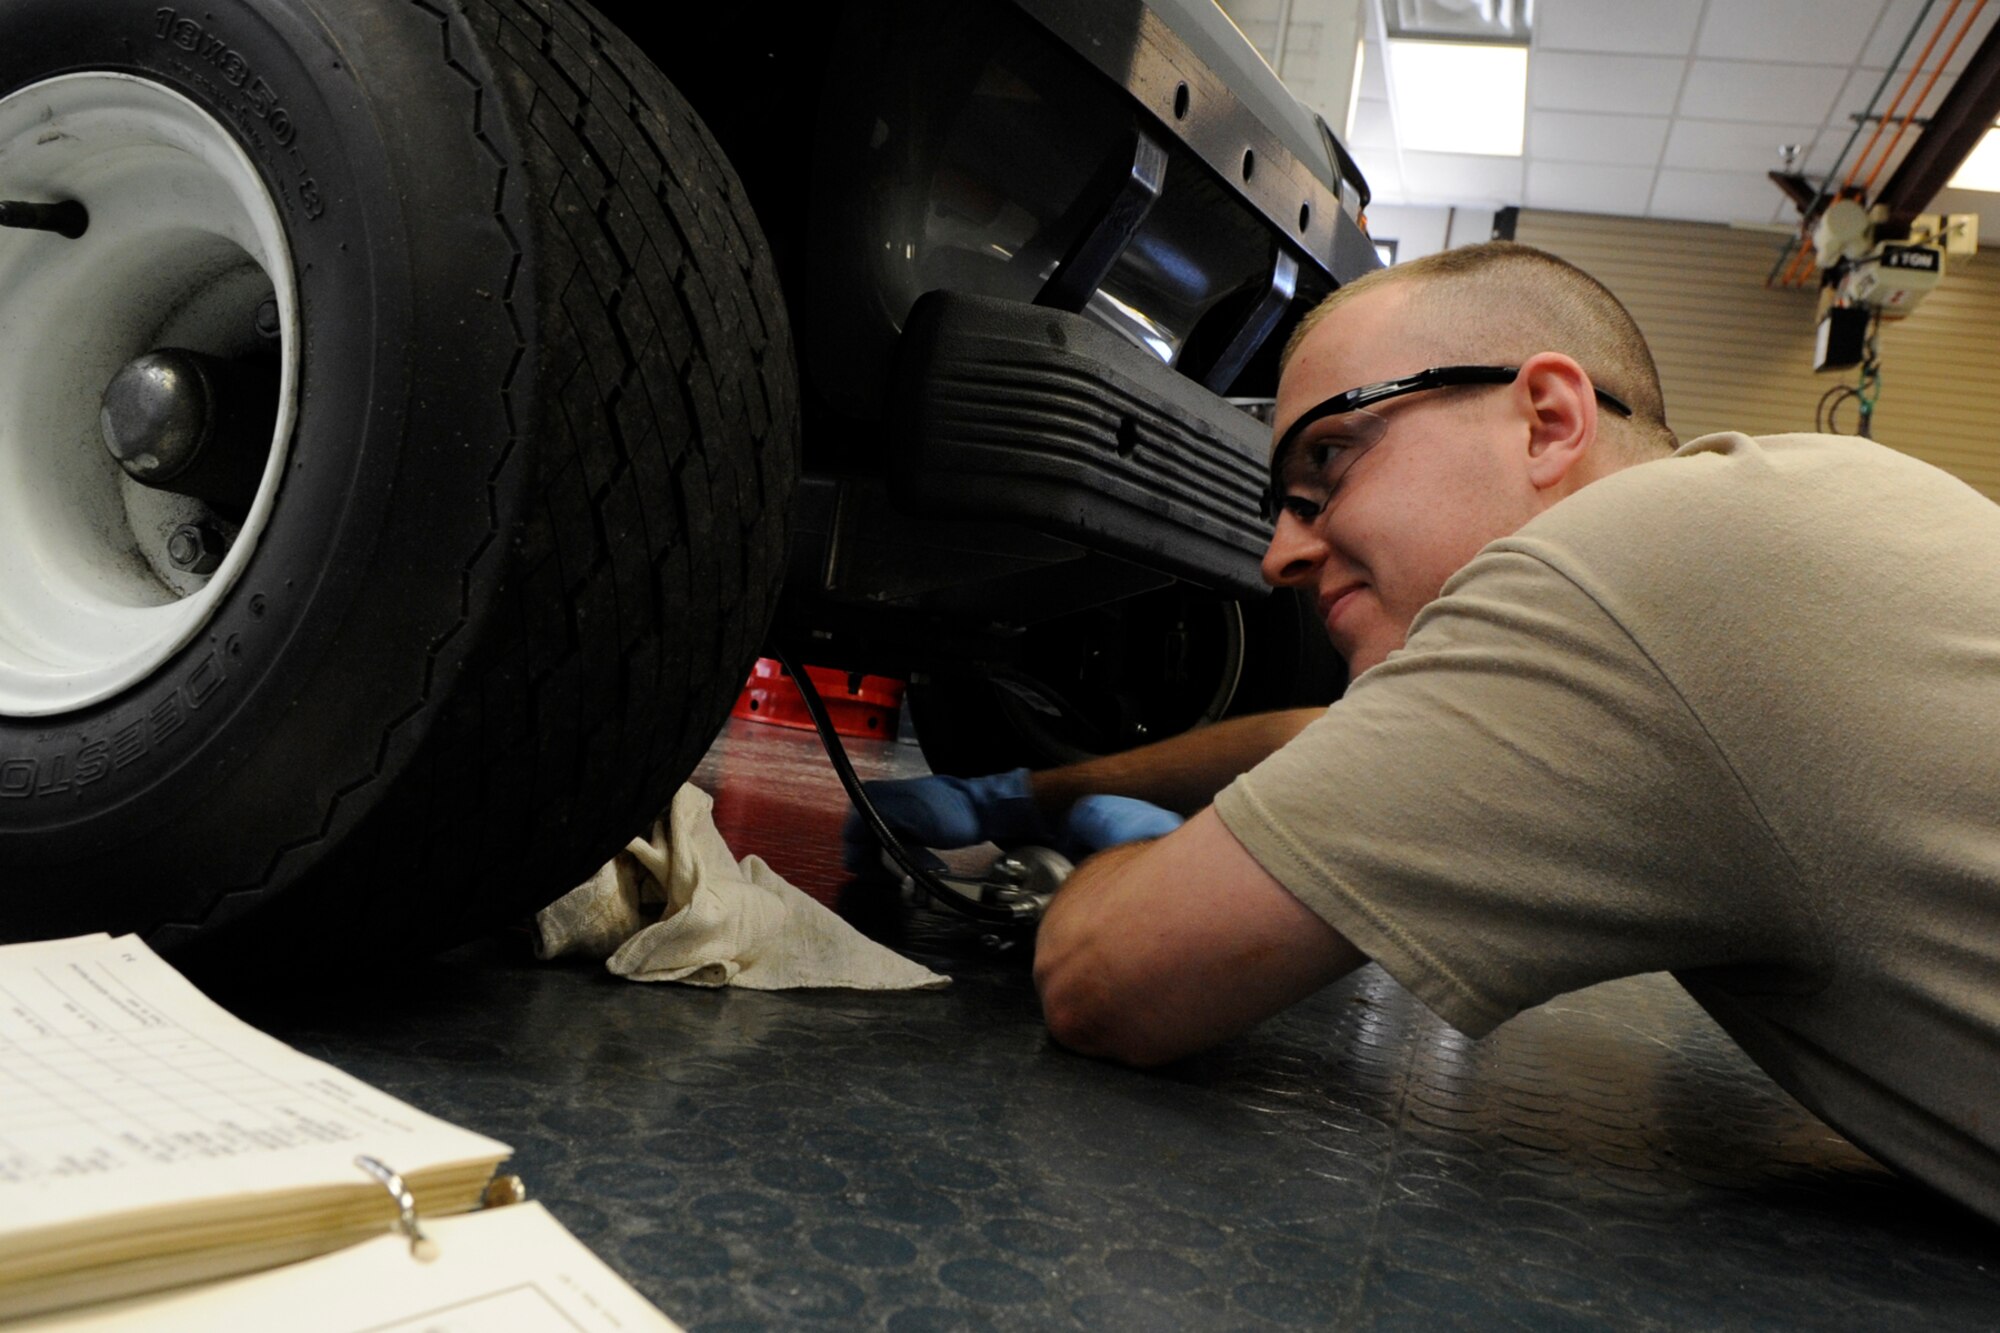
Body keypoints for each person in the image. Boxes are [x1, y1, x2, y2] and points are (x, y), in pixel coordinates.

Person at [845, 241, 2000, 1223]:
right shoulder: (1788, 503)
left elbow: (1111, 980)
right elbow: (1326, 735)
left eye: (1327, 463)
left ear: (1545, 421)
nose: (1279, 556)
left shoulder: (1613, 582)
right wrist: (1031, 791)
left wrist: (1117, 859)